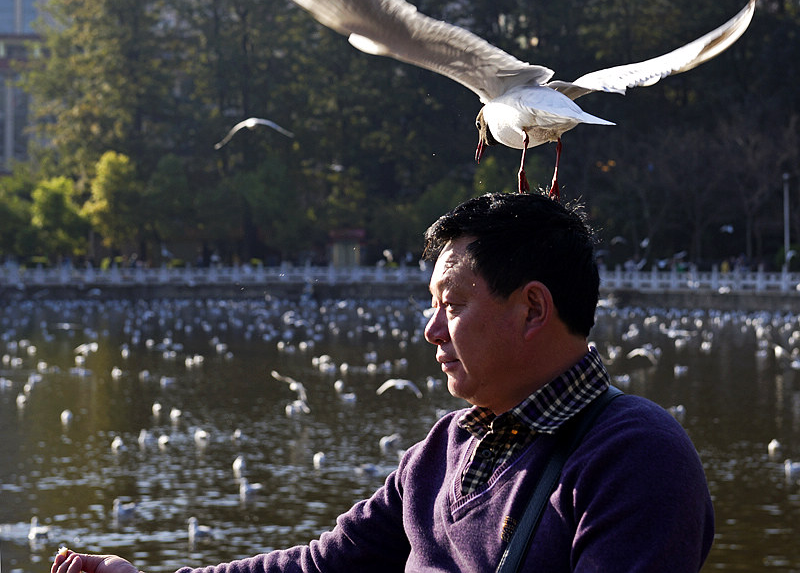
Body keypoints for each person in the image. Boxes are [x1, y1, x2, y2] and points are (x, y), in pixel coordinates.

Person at [52, 192, 714, 573]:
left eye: (451, 304)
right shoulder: (439, 452)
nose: (430, 330)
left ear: (533, 308)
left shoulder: (633, 456)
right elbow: (322, 566)